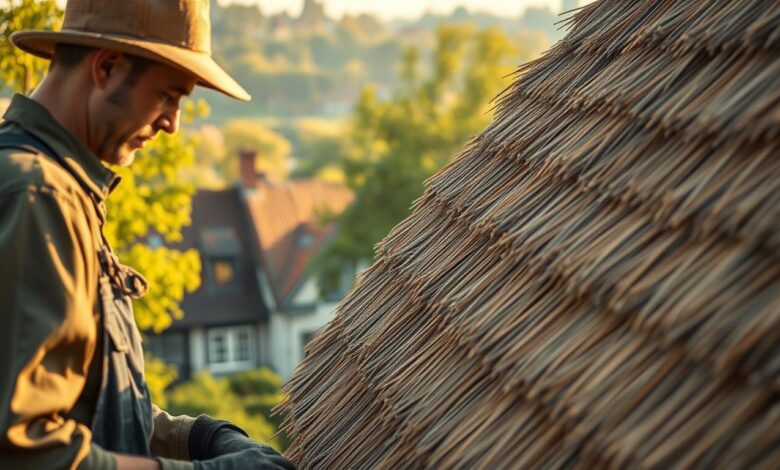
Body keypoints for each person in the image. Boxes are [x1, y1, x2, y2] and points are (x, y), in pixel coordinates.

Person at [0, 1, 296, 469]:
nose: (172, 124)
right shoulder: (37, 197)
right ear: (107, 68)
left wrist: (195, 438)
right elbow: (28, 453)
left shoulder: (61, 188)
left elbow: (84, 402)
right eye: (168, 96)